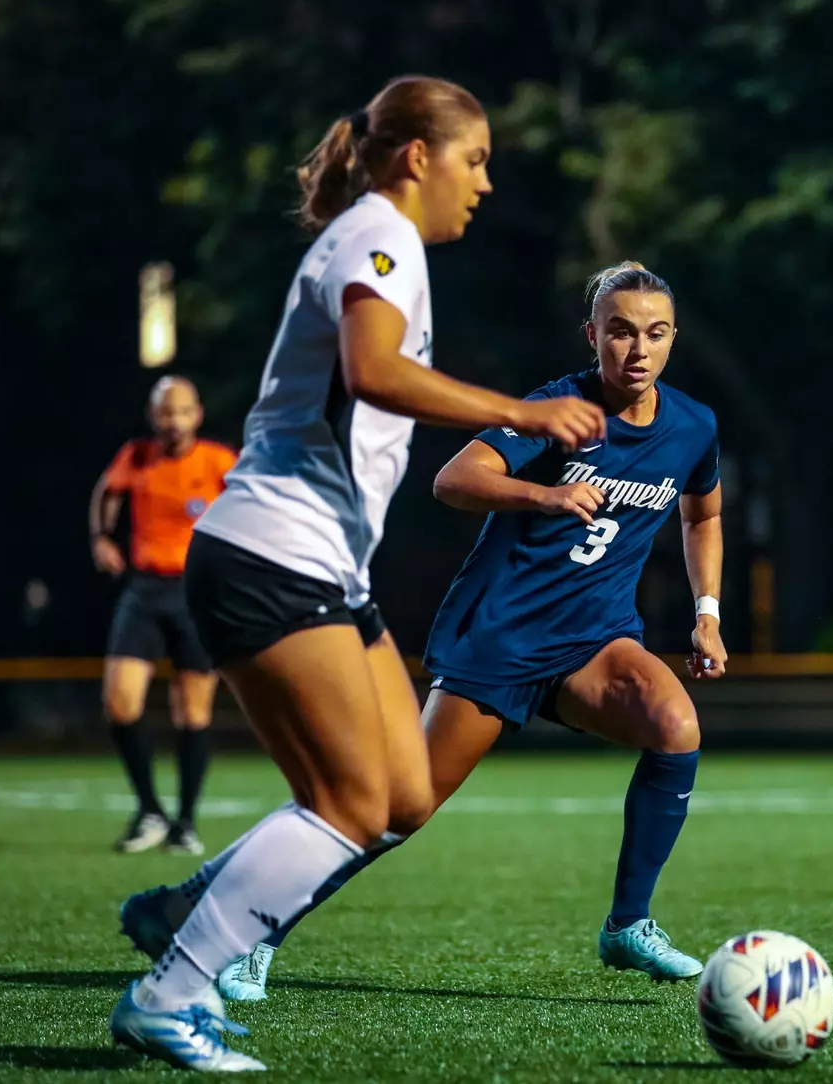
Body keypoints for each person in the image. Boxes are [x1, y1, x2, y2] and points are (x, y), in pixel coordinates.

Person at [104, 75, 605, 1073]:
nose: (487, 182)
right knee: (345, 805)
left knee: (404, 795)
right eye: (476, 158)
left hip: (323, 564)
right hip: (270, 551)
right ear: (418, 156)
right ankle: (167, 997)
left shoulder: (387, 240)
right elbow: (374, 369)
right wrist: (518, 410)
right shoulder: (378, 233)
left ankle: (186, 905)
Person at [197, 260, 726, 1002]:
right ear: (593, 335)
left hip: (595, 638)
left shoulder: (694, 424)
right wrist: (544, 493)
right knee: (395, 809)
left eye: (655, 333)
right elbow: (454, 479)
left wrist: (708, 614)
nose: (637, 349)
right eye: (620, 332)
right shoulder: (556, 410)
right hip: (501, 637)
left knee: (675, 726)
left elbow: (702, 513)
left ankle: (628, 926)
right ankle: (254, 930)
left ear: (673, 340)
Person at [89, 376, 235, 855]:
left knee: (192, 711)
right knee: (120, 702)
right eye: (164, 413)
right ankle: (150, 810)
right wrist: (101, 538)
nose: (173, 421)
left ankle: (185, 824)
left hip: (197, 593)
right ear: (154, 417)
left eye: (182, 411)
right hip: (146, 590)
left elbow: (250, 506)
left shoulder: (218, 461)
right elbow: (107, 492)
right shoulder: (136, 457)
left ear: (197, 414)